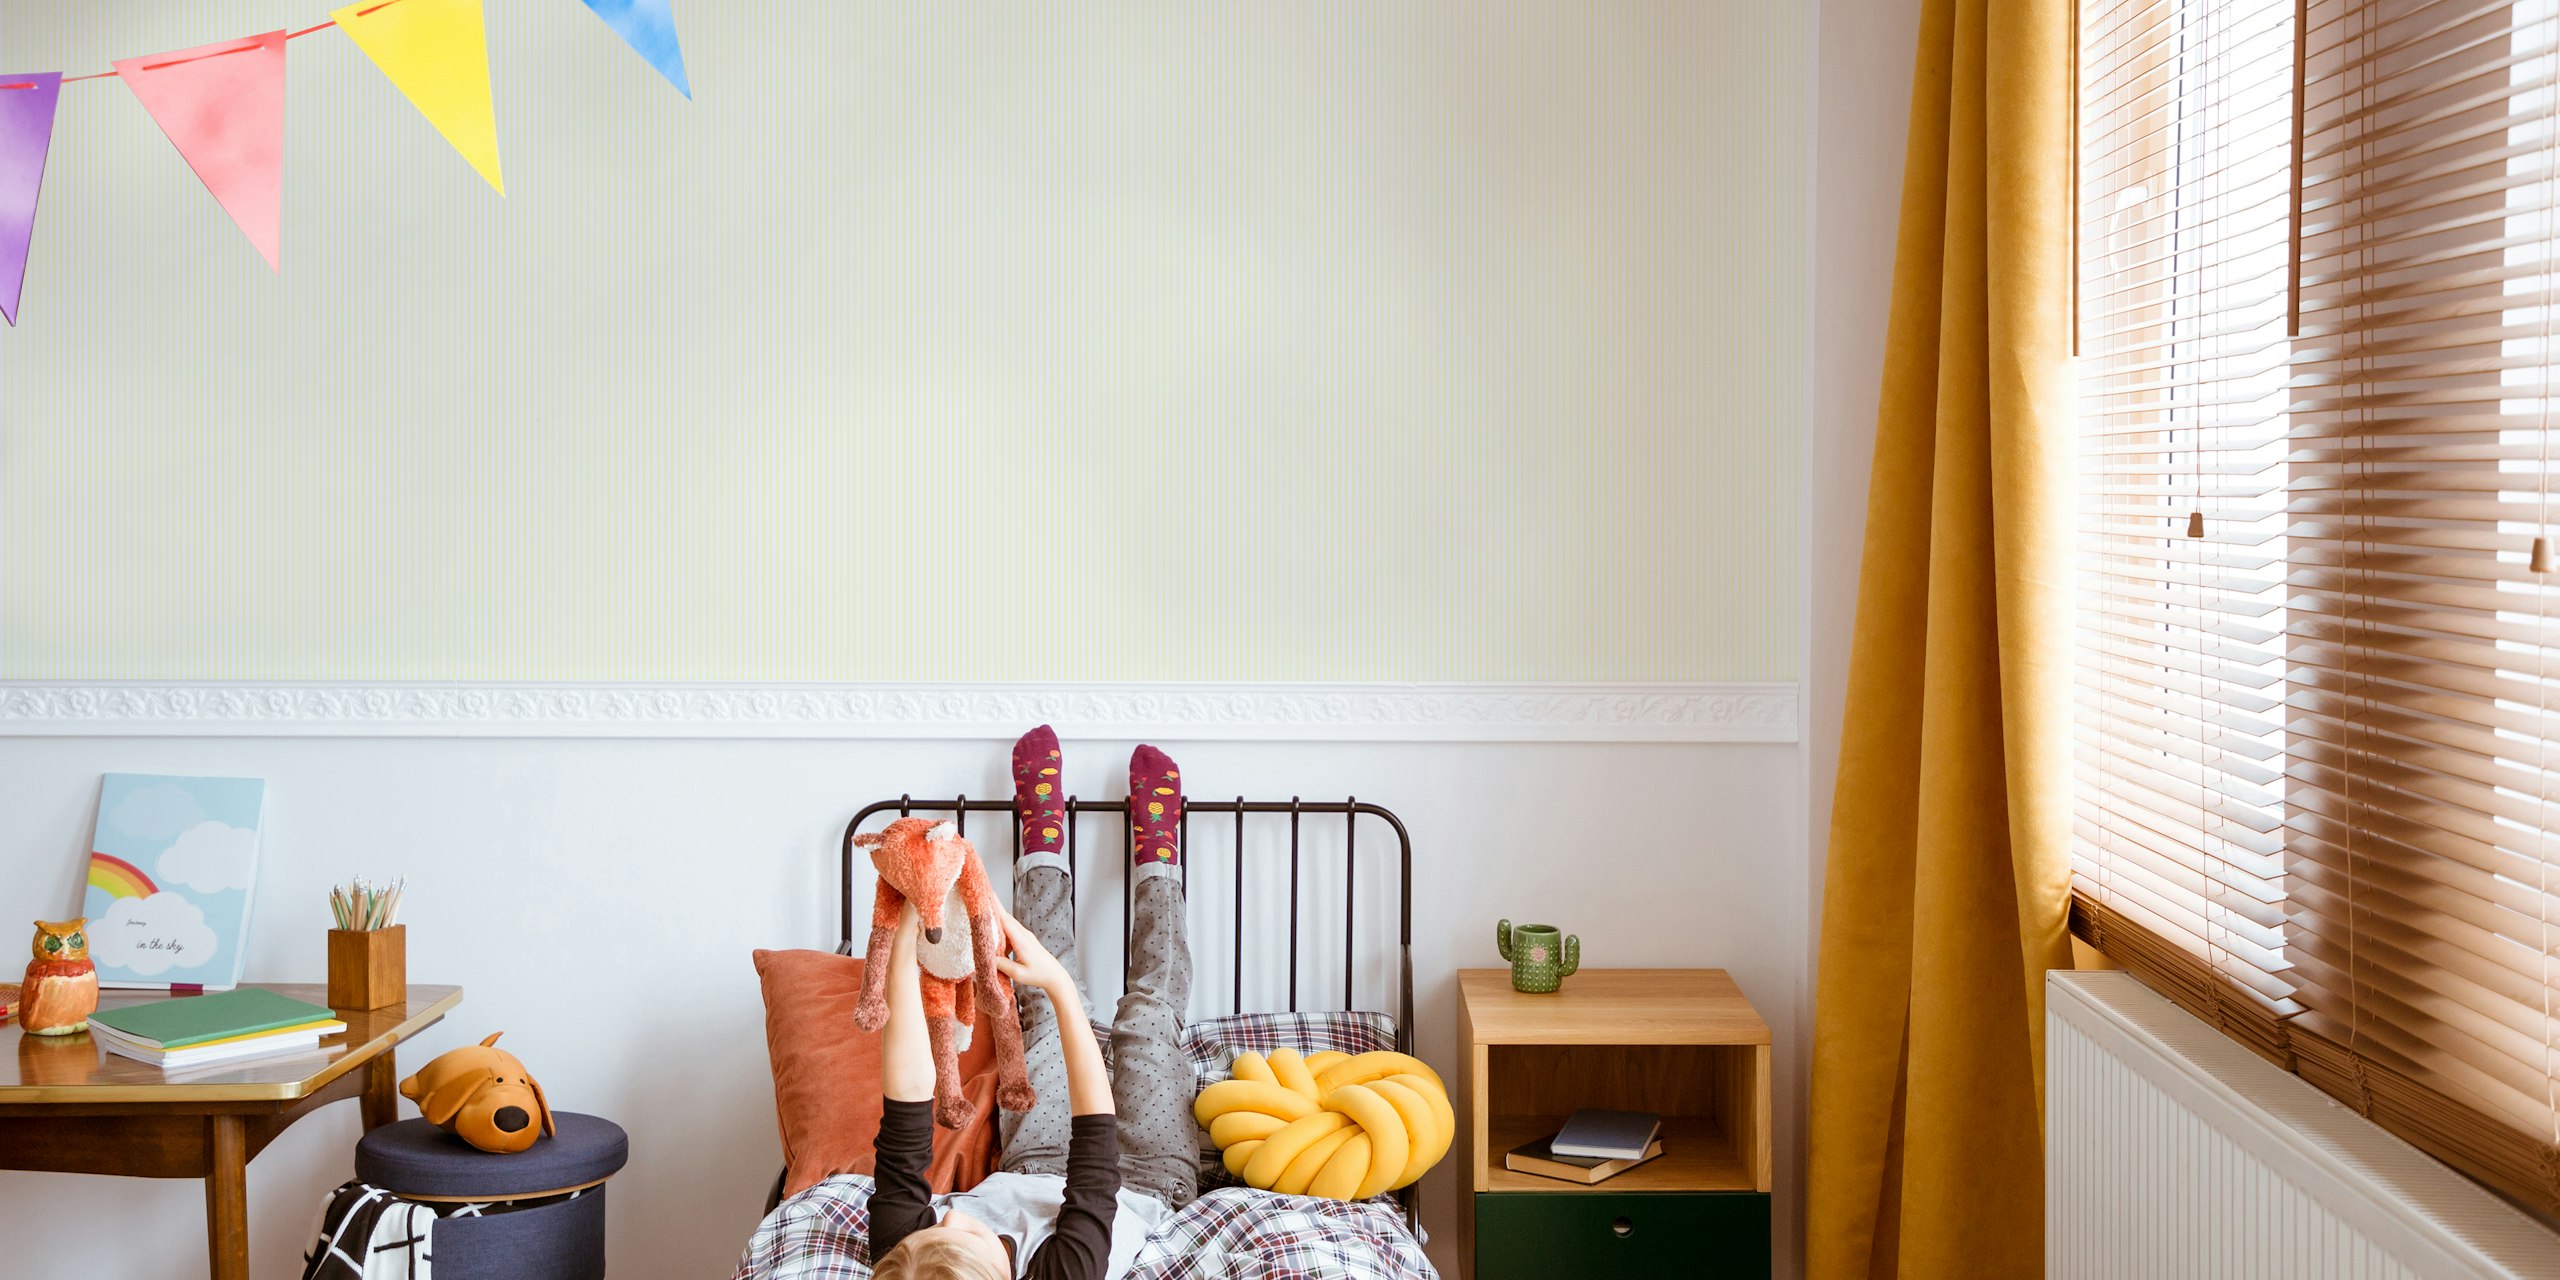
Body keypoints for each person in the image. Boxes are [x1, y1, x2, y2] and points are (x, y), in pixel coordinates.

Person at [869, 737, 1196, 1280]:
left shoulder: (907, 1263)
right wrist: (1063, 988)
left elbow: (905, 1101)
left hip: (1035, 1159)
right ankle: (1159, 857)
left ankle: (1042, 838)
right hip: (1146, 1180)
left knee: (1037, 1008)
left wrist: (910, 916)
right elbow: (1095, 1149)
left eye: (935, 1227)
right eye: (964, 1234)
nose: (951, 1215)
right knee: (1149, 1020)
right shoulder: (1065, 1272)